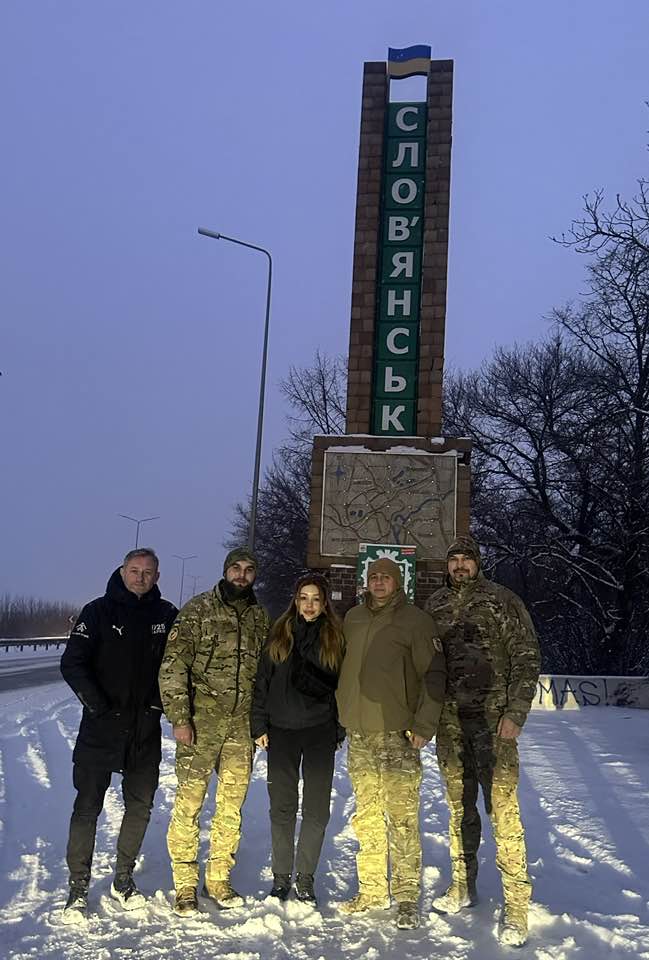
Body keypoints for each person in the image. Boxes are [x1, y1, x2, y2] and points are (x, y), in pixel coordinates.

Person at [425, 536, 541, 947]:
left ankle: (516, 904)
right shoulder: (435, 604)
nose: (459, 566)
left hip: (494, 722)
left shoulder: (503, 600)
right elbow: (424, 663)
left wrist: (516, 712)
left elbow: (527, 655)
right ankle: (463, 885)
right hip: (449, 721)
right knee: (459, 808)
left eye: (466, 560)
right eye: (453, 559)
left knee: (503, 810)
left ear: (477, 563)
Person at [60, 548, 177, 924]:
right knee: (86, 809)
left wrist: (160, 705)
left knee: (140, 807)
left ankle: (123, 879)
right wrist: (96, 705)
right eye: (134, 570)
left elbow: (180, 664)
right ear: (123, 571)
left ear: (157, 577)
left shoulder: (167, 616)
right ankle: (78, 888)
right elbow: (72, 663)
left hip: (144, 733)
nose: (140, 577)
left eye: (148, 572)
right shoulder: (97, 612)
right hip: (100, 730)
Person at [335, 557, 447, 930]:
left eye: (386, 577)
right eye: (374, 577)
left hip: (398, 734)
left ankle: (406, 897)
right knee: (366, 816)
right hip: (359, 733)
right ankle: (371, 889)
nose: (379, 583)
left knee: (401, 818)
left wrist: (424, 724)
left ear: (398, 582)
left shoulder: (415, 621)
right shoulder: (352, 618)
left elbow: (433, 675)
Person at [159, 547, 271, 917]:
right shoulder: (199, 610)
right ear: (225, 571)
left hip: (240, 729)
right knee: (189, 806)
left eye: (248, 569)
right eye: (235, 568)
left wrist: (261, 723)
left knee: (231, 807)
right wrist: (179, 717)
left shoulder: (259, 617)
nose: (241, 574)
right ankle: (185, 885)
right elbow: (173, 665)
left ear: (255, 575)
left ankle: (219, 878)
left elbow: (267, 676)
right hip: (200, 724)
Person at [251, 574, 345, 906]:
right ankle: (281, 878)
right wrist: (258, 724)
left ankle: (305, 878)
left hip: (320, 731)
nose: (308, 605)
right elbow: (261, 682)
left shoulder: (335, 638)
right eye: (303, 597)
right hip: (282, 732)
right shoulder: (279, 635)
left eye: (315, 599)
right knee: (282, 808)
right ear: (295, 600)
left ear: (324, 603)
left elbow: (343, 689)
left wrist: (339, 727)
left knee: (316, 809)